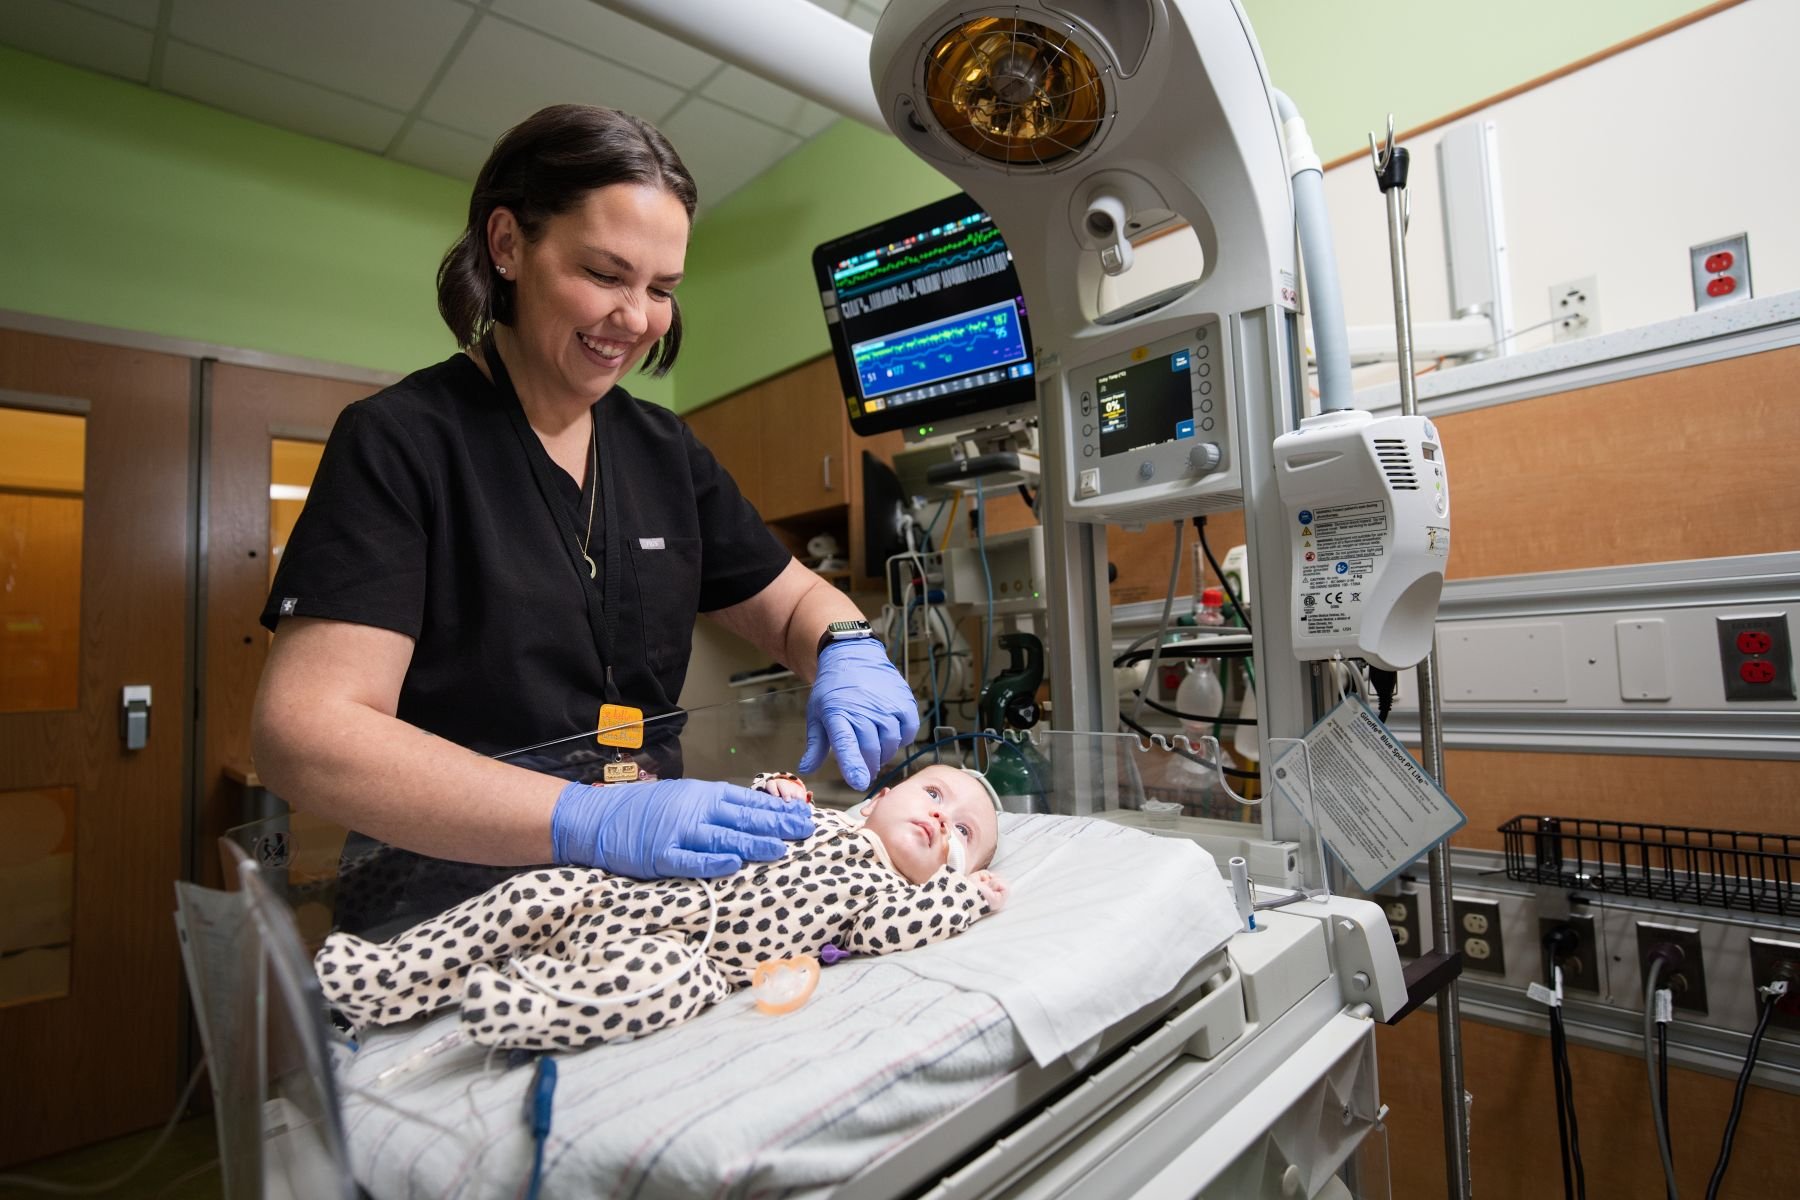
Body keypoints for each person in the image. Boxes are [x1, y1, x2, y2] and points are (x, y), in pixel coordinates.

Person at [250, 105, 918, 906]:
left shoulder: (664, 450)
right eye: (604, 275)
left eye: (661, 289)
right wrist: (584, 818)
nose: (635, 319)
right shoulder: (402, 441)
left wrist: (846, 645)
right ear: (507, 246)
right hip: (449, 903)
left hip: (638, 900)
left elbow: (795, 600)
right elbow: (307, 733)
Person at [314, 765, 1008, 1051]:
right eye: (935, 796)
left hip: (704, 954)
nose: (944, 821)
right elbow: (737, 807)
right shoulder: (814, 818)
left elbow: (897, 928)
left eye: (965, 837)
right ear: (881, 796)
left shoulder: (885, 894)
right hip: (643, 893)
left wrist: (964, 900)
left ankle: (530, 1007)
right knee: (534, 893)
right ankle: (389, 977)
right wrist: (776, 790)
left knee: (661, 989)